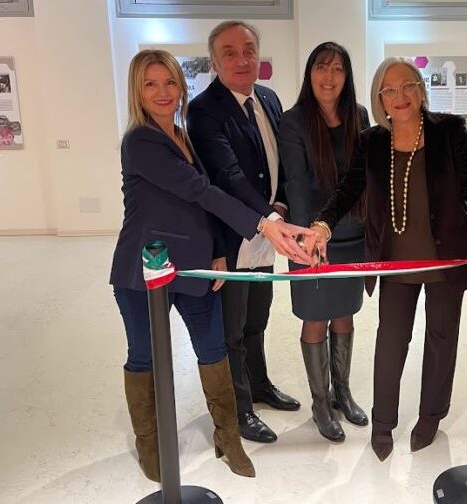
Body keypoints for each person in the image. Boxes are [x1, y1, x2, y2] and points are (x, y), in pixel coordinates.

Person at [110, 49, 311, 481]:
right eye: (150, 84)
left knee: (214, 350)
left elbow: (204, 202)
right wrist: (263, 223)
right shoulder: (140, 141)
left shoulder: (183, 135)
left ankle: (228, 438)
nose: (162, 92)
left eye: (170, 82)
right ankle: (150, 446)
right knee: (144, 355)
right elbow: (199, 190)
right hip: (145, 270)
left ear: (181, 86)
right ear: (136, 92)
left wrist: (219, 249)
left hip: (197, 267)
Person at [304, 57, 467, 461]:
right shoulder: (371, 141)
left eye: (408, 85)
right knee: (392, 341)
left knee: (441, 339)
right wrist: (323, 224)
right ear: (380, 99)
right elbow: (349, 188)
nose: (400, 96)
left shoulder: (449, 131)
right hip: (396, 262)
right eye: (390, 90)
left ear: (421, 88)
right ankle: (383, 423)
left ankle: (431, 416)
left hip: (445, 259)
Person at [187, 20, 301, 445]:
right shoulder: (203, 110)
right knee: (231, 328)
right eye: (230, 53)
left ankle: (259, 384)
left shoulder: (269, 98)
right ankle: (240, 409)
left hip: (270, 230)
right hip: (234, 234)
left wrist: (282, 205)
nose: (241, 59)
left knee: (257, 317)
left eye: (248, 50)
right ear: (214, 62)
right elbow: (228, 175)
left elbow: (282, 162)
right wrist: (270, 219)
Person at [278, 42, 370, 442]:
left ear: (346, 76)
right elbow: (296, 184)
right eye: (321, 67)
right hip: (311, 239)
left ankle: (342, 393)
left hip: (351, 234)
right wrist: (309, 237)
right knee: (315, 317)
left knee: (345, 313)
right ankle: (320, 402)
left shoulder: (359, 115)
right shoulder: (293, 121)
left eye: (337, 69)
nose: (328, 77)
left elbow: (365, 176)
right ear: (309, 73)